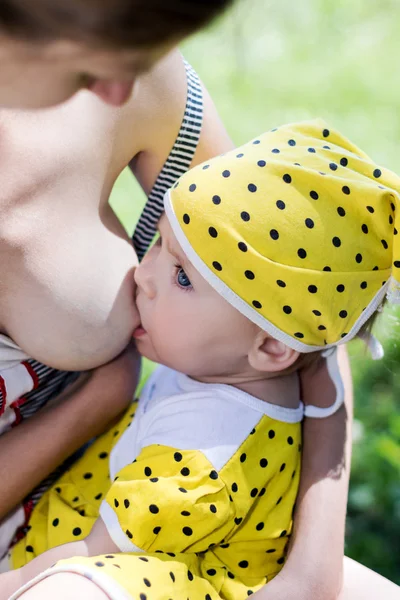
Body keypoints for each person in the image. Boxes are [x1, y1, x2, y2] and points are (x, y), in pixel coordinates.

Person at [1, 120, 399, 600]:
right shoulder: (232, 363)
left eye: (182, 277)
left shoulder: (202, 461)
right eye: (157, 246)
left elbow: (87, 554)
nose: (143, 275)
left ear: (272, 347)